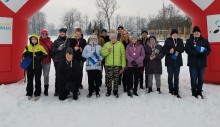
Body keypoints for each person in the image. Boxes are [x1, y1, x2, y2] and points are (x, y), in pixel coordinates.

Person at [185, 26, 211, 99]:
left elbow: (209, 51)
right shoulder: (189, 41)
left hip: (202, 63)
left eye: (197, 31)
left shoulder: (205, 41)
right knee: (193, 78)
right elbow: (187, 50)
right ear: (193, 33)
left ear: (200, 32)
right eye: (195, 32)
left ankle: (199, 92)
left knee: (201, 78)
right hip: (193, 63)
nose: (196, 33)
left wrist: (204, 52)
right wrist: (196, 52)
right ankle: (194, 92)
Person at [22, 34, 48, 101]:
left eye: (35, 39)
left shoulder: (40, 47)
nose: (33, 40)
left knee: (37, 80)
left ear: (37, 40)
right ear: (30, 40)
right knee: (29, 80)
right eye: (32, 39)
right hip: (29, 67)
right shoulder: (27, 47)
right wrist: (27, 54)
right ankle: (29, 93)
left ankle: (37, 93)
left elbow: (45, 54)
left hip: (38, 67)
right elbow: (23, 55)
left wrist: (39, 57)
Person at [101, 33, 126, 98]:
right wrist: (107, 50)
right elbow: (103, 53)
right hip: (108, 65)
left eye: (114, 38)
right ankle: (108, 91)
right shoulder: (106, 44)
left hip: (117, 65)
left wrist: (123, 65)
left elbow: (123, 55)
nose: (113, 39)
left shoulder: (120, 44)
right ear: (110, 39)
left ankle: (115, 91)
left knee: (116, 79)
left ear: (116, 38)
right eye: (112, 38)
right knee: (109, 79)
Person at [163, 29, 184, 98]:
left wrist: (175, 48)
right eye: (173, 33)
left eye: (176, 33)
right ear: (171, 34)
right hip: (169, 62)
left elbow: (182, 49)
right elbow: (164, 49)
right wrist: (169, 51)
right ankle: (171, 90)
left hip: (177, 62)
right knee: (170, 76)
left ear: (177, 34)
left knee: (176, 77)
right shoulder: (167, 40)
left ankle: (176, 91)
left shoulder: (180, 41)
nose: (175, 34)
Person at [52, 28, 68, 96]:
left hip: (66, 60)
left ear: (65, 33)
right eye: (61, 32)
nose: (62, 33)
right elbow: (52, 50)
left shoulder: (68, 41)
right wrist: (58, 49)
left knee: (66, 75)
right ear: (59, 33)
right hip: (58, 61)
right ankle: (57, 90)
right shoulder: (56, 41)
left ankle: (65, 89)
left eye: (63, 32)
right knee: (58, 75)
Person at [39, 29, 53, 96]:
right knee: (38, 75)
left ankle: (46, 89)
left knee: (46, 75)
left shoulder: (50, 42)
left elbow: (53, 52)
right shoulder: (38, 42)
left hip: (47, 61)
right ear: (41, 35)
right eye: (43, 34)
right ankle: (38, 88)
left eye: (46, 34)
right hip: (38, 62)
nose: (44, 35)